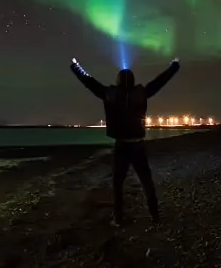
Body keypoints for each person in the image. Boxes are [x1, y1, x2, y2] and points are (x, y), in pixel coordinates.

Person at [69, 56, 181, 226]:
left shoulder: (109, 94)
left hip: (121, 144)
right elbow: (160, 80)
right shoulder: (142, 93)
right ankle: (155, 216)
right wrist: (174, 66)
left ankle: (119, 219)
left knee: (117, 184)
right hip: (137, 144)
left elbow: (88, 81)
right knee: (146, 181)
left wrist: (76, 67)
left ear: (118, 80)